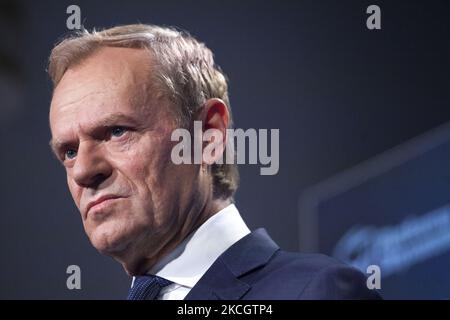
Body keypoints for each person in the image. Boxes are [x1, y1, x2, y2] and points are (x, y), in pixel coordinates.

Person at [48, 24, 381, 300]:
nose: (82, 171)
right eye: (69, 151)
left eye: (117, 131)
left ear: (207, 134)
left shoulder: (314, 292)